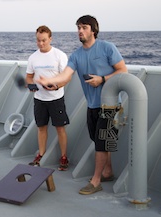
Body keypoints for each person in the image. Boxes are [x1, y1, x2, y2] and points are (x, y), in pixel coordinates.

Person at [37, 15, 127, 194]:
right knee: (99, 141)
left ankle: (96, 181)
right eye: (78, 27)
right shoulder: (76, 55)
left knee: (101, 143)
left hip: (109, 106)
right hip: (92, 105)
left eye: (84, 27)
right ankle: (107, 172)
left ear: (93, 30)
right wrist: (50, 80)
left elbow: (123, 70)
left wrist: (102, 79)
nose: (80, 31)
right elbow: (65, 75)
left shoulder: (107, 48)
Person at [26, 25, 70, 171]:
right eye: (38, 40)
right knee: (41, 128)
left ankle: (64, 156)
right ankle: (41, 155)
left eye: (44, 40)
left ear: (50, 39)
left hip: (56, 98)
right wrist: (30, 85)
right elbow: (29, 76)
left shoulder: (59, 55)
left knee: (60, 128)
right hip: (39, 99)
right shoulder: (33, 57)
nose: (41, 44)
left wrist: (56, 86)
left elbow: (66, 77)